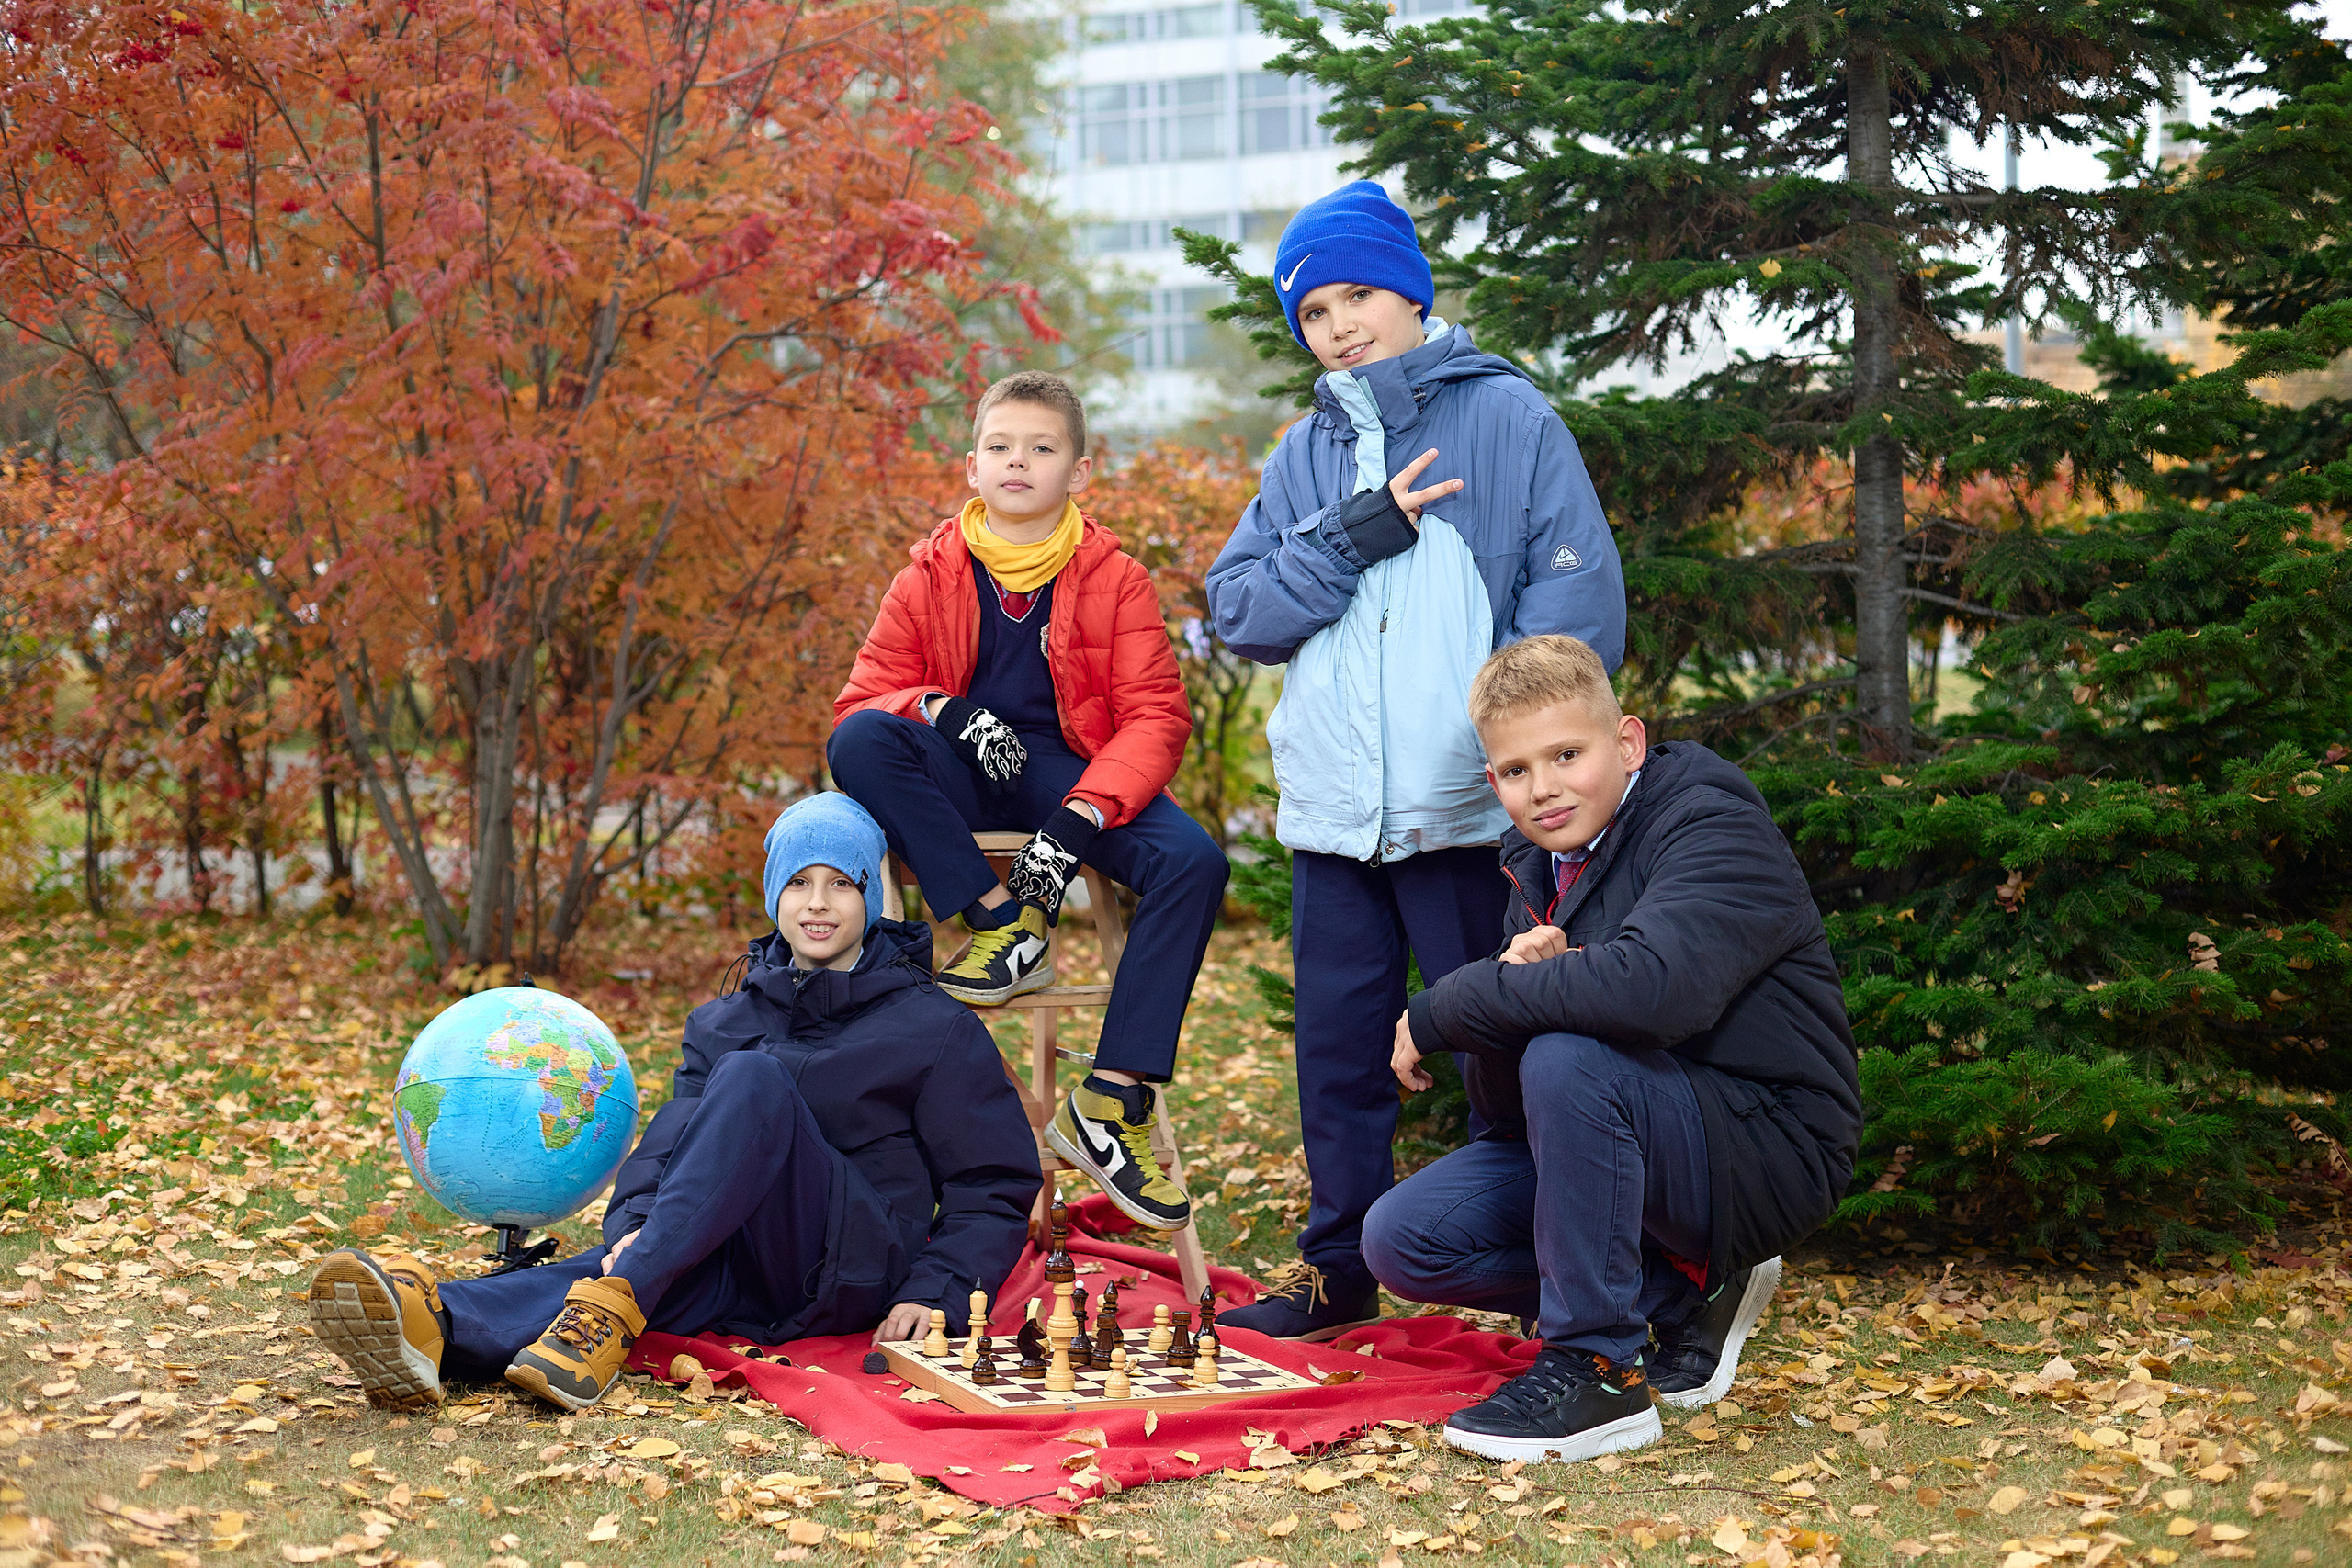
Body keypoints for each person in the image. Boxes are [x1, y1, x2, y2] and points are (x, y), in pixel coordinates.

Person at [1208, 181, 1627, 1340]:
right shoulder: (1304, 455)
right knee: (1338, 1054)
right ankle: (1337, 1271)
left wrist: (1513, 770)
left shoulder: (1510, 422)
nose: (1341, 325)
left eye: (1360, 296)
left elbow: (1575, 619)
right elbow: (1238, 613)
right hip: (1339, 819)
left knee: (1506, 1052)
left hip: (1467, 817)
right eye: (1314, 313)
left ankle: (1561, 1276)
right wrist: (1349, 534)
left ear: (1411, 291)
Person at [306, 793, 1041, 1413]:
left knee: (752, 1082)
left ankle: (620, 1291)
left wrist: (937, 1290)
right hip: (739, 1258)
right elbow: (667, 1148)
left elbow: (993, 1185)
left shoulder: (933, 1025)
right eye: (798, 882)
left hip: (852, 1263)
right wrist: (633, 1229)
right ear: (772, 893)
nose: (817, 903)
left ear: (870, 898)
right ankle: (436, 1324)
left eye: (841, 883)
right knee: (635, 1252)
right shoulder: (725, 1018)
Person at [1365, 635, 1860, 1462]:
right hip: (1629, 1120)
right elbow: (1505, 1108)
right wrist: (1511, 998)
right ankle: (1678, 1291)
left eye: (1567, 754)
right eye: (1517, 770)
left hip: (1766, 1143)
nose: (1545, 788)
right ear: (1494, 783)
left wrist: (1456, 1002)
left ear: (1626, 743)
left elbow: (1659, 987)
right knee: (1403, 1238)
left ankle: (1598, 1369)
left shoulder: (1708, 821)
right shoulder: (1538, 863)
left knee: (1570, 1053)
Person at [826, 369, 1228, 1235]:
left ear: (1078, 472)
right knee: (858, 742)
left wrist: (1081, 818)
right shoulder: (929, 571)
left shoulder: (1116, 578)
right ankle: (1001, 920)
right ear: (971, 466)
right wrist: (941, 707)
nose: (1019, 462)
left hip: (1069, 769)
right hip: (962, 765)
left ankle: (1111, 1101)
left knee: (1193, 861)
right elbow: (864, 699)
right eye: (1001, 447)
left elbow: (1156, 716)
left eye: (1042, 448)